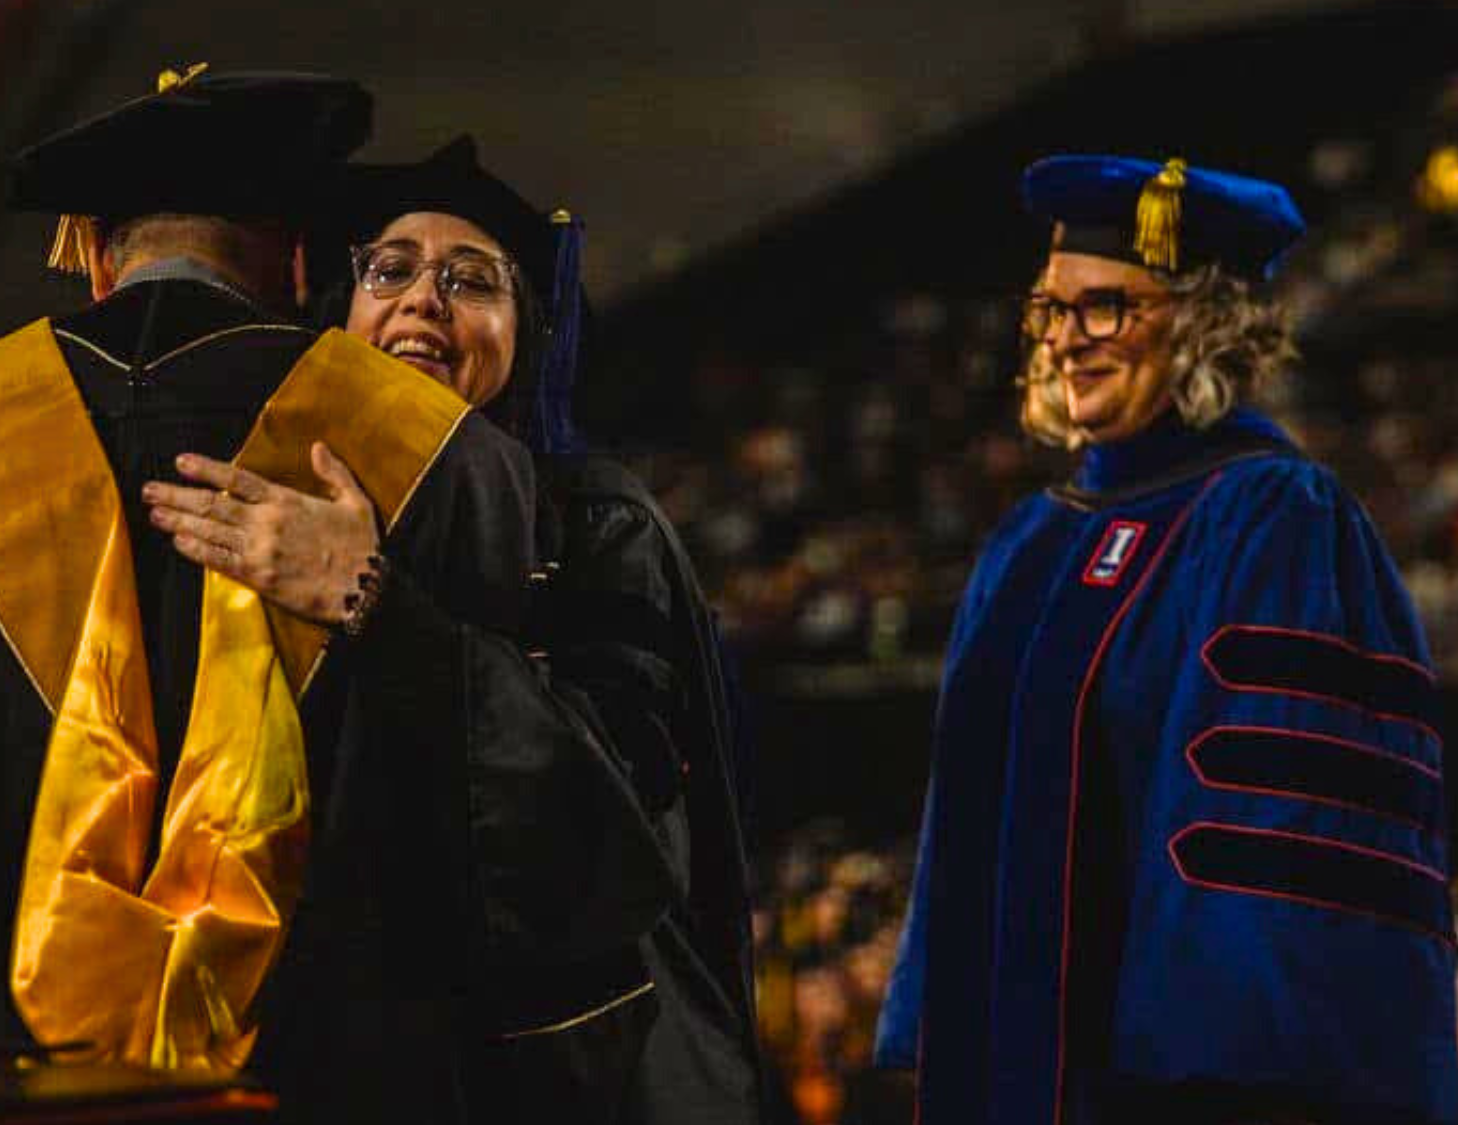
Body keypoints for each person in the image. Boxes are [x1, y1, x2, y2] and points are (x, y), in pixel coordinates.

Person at [0, 68, 540, 1081]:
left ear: (92, 251)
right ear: (296, 250)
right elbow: (516, 834)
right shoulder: (439, 453)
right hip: (327, 1083)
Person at [143, 136, 764, 1123]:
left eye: (471, 282)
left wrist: (374, 606)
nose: (424, 298)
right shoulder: (256, 505)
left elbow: (610, 827)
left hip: (542, 1071)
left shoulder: (593, 525)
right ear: (338, 312)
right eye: (389, 270)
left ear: (526, 339)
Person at [875, 156, 1458, 1125]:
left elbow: (1277, 840)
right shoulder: (1031, 537)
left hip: (1176, 1094)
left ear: (1203, 321)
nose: (1065, 341)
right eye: (1050, 312)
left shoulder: (1269, 513)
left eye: (1103, 307)